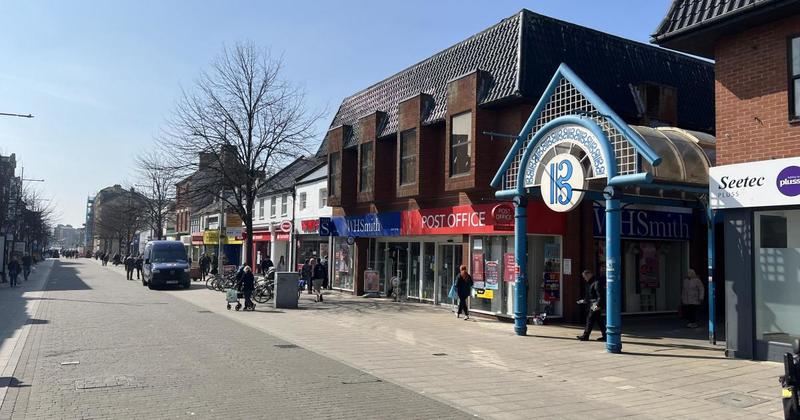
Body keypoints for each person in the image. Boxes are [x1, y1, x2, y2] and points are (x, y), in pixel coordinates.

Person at [577, 269, 606, 341]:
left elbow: (600, 295)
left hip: (595, 304)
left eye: (585, 277)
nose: (584, 278)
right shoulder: (591, 282)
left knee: (590, 318)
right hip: (594, 303)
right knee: (599, 320)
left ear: (589, 274)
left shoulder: (596, 282)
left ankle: (585, 336)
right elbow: (590, 295)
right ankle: (605, 335)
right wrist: (584, 301)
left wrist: (597, 305)